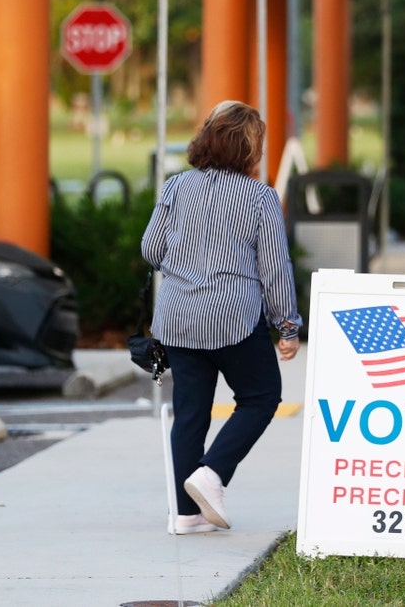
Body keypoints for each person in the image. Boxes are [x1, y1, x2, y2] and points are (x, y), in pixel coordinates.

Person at [141, 100, 302, 535]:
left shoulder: (177, 187)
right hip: (232, 318)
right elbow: (274, 267)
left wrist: (189, 263)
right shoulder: (260, 198)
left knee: (190, 413)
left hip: (178, 318)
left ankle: (185, 514)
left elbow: (151, 249)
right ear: (249, 149)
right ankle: (212, 474)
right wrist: (287, 326)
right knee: (261, 397)